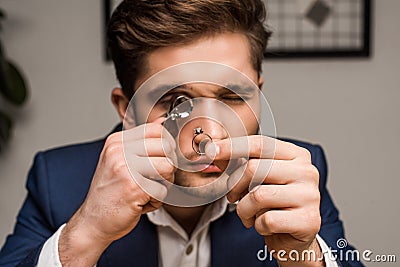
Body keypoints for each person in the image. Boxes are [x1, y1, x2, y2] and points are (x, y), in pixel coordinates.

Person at [0, 0, 363, 266]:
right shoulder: (57, 180)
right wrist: (83, 236)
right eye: (176, 102)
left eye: (233, 97)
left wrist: (304, 256)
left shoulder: (298, 174)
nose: (209, 131)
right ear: (126, 108)